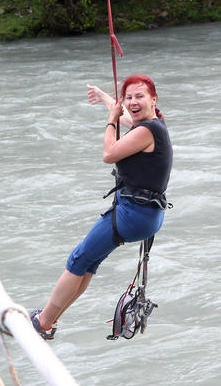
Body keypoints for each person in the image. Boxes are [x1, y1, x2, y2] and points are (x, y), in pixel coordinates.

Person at [30, 74, 172, 340]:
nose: (133, 101)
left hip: (133, 215)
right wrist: (109, 100)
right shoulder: (154, 125)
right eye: (128, 97)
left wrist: (110, 120)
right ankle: (50, 318)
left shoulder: (147, 131)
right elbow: (127, 119)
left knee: (78, 259)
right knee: (89, 262)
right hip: (146, 215)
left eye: (139, 96)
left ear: (154, 99)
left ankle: (43, 322)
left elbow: (109, 155)